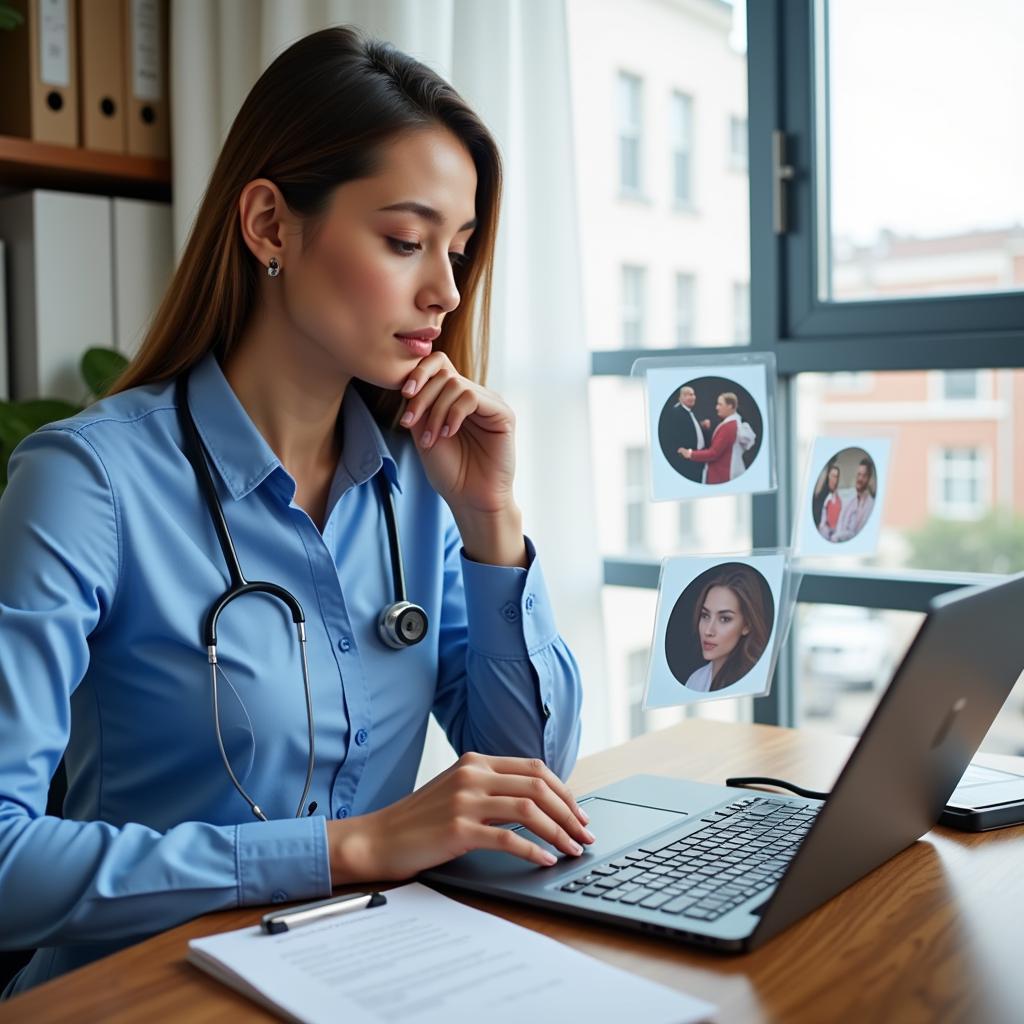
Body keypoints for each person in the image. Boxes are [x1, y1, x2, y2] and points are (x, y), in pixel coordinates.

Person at [0, 27, 589, 998]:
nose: (443, 289)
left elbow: (522, 781)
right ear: (271, 225)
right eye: (404, 241)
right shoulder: (87, 484)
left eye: (459, 248)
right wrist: (346, 846)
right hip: (136, 994)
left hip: (362, 978)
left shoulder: (420, 481)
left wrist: (492, 518)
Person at [683, 566, 771, 693]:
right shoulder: (696, 680)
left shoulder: (750, 684)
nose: (708, 631)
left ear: (747, 625)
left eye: (724, 619)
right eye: (705, 616)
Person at [678, 392, 748, 484]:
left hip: (721, 476)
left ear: (730, 406)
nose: (717, 407)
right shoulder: (734, 424)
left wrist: (690, 454)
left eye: (720, 404)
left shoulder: (729, 427)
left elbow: (713, 453)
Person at [832, 457, 876, 542]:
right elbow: (840, 524)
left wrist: (837, 537)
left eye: (864, 476)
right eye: (859, 474)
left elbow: (857, 534)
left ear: (869, 478)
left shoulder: (871, 505)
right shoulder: (850, 500)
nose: (860, 479)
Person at [668, 385, 707, 482]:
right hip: (686, 461)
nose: (693, 397)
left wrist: (701, 425)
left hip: (696, 459)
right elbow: (670, 434)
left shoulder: (689, 411)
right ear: (681, 398)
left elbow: (688, 428)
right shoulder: (676, 412)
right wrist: (678, 450)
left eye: (693, 394)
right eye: (689, 395)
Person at [815, 463, 843, 541]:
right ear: (828, 476)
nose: (835, 479)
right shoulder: (821, 494)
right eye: (833, 476)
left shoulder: (839, 497)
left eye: (837, 477)